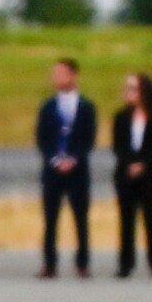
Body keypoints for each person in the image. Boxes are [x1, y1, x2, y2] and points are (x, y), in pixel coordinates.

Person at [35, 58, 98, 279]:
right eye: (55, 74)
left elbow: (88, 139)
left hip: (77, 171)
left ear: (73, 76)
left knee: (80, 217)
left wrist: (74, 159)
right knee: (50, 218)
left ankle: (82, 263)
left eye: (61, 73)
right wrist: (54, 159)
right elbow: (42, 138)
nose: (56, 78)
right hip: (52, 171)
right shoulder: (47, 107)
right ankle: (49, 263)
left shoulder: (86, 107)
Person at [109, 76, 152, 279]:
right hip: (125, 173)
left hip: (150, 174)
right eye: (127, 88)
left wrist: (142, 163)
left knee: (151, 219)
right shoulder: (121, 117)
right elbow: (118, 145)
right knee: (126, 220)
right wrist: (130, 163)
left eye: (133, 88)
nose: (129, 92)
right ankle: (125, 264)